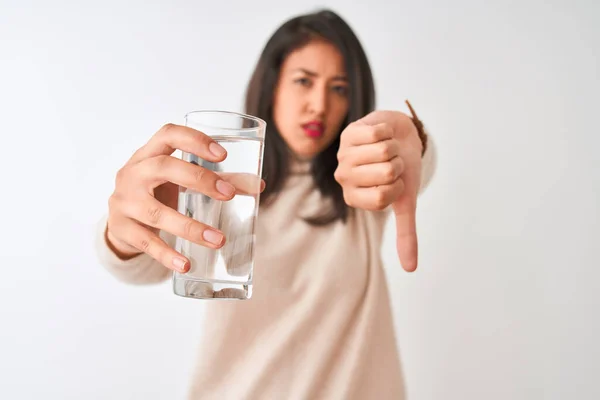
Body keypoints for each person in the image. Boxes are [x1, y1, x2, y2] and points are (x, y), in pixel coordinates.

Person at [95, 8, 436, 399]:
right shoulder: (222, 185)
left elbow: (413, 164)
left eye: (339, 88)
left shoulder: (359, 186)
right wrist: (121, 233)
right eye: (304, 81)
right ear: (272, 86)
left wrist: (408, 138)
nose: (319, 105)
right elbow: (136, 268)